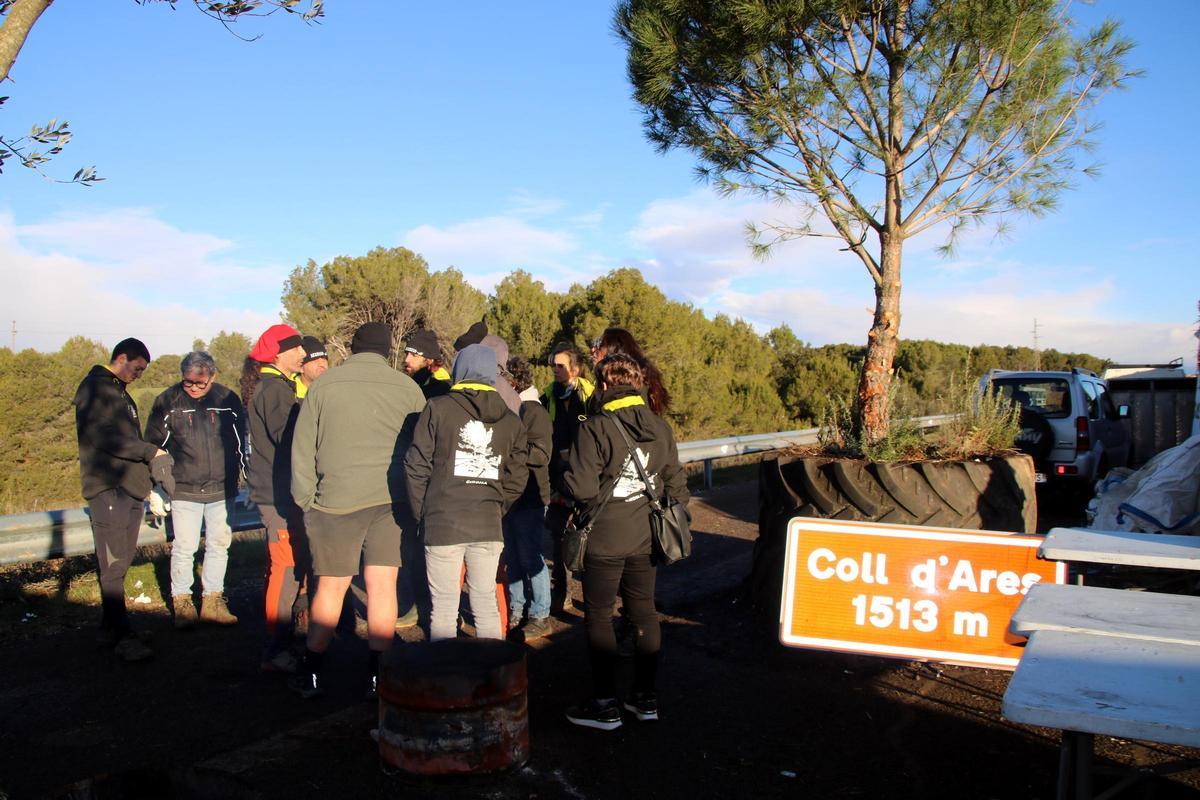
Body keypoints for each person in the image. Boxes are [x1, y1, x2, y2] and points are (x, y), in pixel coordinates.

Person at [289, 321, 427, 699]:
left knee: (330, 587)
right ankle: (378, 675)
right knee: (383, 586)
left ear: (351, 348)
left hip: (335, 501)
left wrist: (306, 500)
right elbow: (421, 449)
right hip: (391, 500)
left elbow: (302, 449)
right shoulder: (408, 388)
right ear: (387, 351)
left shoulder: (324, 386)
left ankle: (312, 670)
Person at [558, 353, 688, 730]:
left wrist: (566, 476)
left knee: (598, 615)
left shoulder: (595, 427)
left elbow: (581, 488)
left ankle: (604, 704)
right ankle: (645, 698)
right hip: (647, 538)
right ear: (637, 383)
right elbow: (677, 485)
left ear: (602, 385)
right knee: (645, 612)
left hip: (604, 540)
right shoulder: (660, 427)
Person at [404, 344, 528, 642]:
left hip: (442, 521)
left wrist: (422, 510)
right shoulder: (511, 420)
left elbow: (415, 465)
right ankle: (492, 678)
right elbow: (518, 476)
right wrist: (497, 507)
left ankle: (445, 680)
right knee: (485, 602)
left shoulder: (437, 407)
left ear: (460, 369)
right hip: (487, 522)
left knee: (444, 607)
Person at [73, 337, 171, 661]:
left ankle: (109, 628)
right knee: (113, 564)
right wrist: (151, 451)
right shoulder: (95, 389)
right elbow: (108, 440)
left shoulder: (119, 392)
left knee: (121, 562)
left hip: (128, 489)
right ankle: (124, 636)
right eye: (138, 368)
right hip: (108, 487)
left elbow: (128, 442)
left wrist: (146, 485)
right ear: (122, 357)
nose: (139, 375)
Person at [144, 351, 245, 629]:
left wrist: (246, 478)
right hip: (184, 488)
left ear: (213, 377)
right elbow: (153, 445)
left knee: (219, 545)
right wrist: (155, 485)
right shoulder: (167, 401)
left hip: (222, 488)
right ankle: (183, 603)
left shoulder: (228, 400)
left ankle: (213, 600)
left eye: (201, 382)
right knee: (184, 547)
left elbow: (241, 443)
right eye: (189, 382)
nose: (195, 388)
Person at [243, 323, 309, 674]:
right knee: (285, 571)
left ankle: (280, 639)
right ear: (278, 353)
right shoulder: (275, 391)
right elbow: (292, 440)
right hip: (279, 496)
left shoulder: (271, 387)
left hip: (275, 493)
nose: (303, 354)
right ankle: (276, 648)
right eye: (297, 348)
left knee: (284, 569)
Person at [539, 342, 594, 612]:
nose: (555, 369)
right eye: (553, 365)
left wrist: (572, 455)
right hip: (557, 478)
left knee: (587, 538)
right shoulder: (547, 396)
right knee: (558, 537)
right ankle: (561, 592)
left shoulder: (590, 396)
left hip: (583, 477)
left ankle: (593, 595)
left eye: (560, 365)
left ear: (575, 369)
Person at [503, 356, 554, 639]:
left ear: (514, 381)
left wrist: (508, 451)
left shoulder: (534, 412)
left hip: (530, 497)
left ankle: (539, 614)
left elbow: (541, 454)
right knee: (513, 556)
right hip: (510, 496)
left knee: (530, 556)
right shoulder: (511, 410)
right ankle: (517, 608)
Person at [591, 327, 671, 416]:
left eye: (599, 344)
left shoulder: (634, 385)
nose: (593, 350)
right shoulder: (637, 380)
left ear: (614, 349)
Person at [401, 329, 451, 399]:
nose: (406, 359)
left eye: (414, 355)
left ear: (430, 360)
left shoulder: (440, 387)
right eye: (407, 354)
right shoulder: (417, 381)